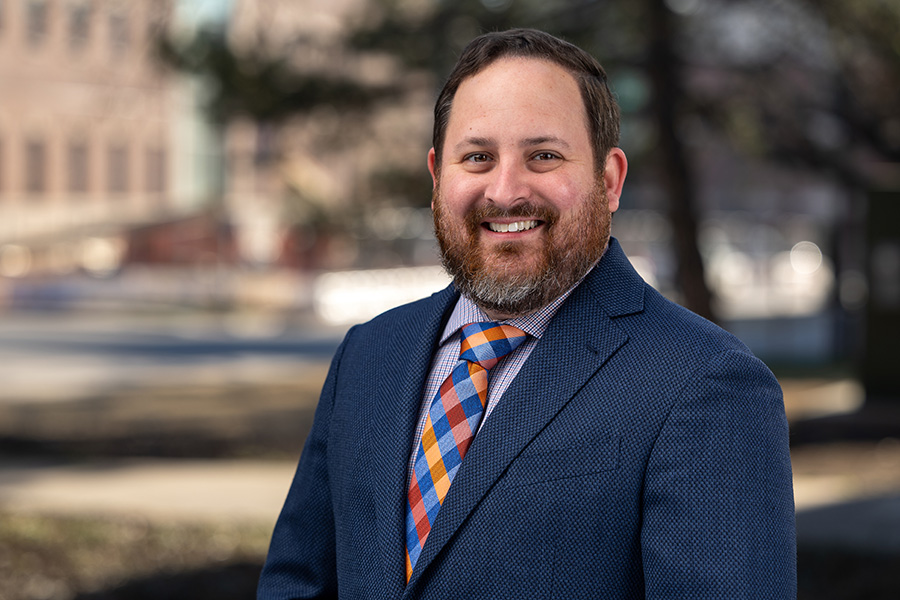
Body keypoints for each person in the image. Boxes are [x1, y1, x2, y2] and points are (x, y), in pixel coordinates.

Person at [257, 28, 796, 600]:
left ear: (609, 181)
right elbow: (297, 584)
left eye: (544, 156)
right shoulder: (368, 355)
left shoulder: (706, 382)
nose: (506, 190)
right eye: (478, 157)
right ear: (438, 177)